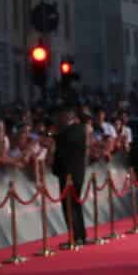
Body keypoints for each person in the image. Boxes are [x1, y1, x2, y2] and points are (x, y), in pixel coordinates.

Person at [52, 103, 90, 248]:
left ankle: (76, 237)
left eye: (60, 116)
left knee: (70, 206)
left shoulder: (73, 130)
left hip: (69, 174)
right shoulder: (77, 130)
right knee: (75, 205)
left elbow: (61, 146)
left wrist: (54, 136)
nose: (58, 119)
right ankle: (80, 236)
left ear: (68, 115)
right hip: (75, 173)